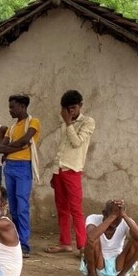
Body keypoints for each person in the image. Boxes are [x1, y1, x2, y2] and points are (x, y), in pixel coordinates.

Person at [46, 90, 96, 255]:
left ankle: (82, 246)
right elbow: (61, 149)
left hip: (73, 170)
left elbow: (76, 143)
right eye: (67, 109)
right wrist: (54, 171)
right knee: (62, 208)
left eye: (73, 108)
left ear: (80, 106)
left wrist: (68, 123)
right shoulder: (64, 123)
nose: (70, 112)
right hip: (59, 170)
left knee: (76, 209)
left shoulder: (87, 122)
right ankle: (65, 242)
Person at [0, 94, 40, 258]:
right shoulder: (12, 126)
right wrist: (18, 147)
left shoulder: (33, 122)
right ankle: (14, 241)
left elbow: (26, 140)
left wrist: (11, 148)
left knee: (22, 207)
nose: (10, 110)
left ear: (22, 107)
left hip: (23, 167)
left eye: (12, 107)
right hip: (10, 167)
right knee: (13, 207)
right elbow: (1, 148)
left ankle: (24, 244)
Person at [81, 199, 138, 276]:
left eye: (118, 219)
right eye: (112, 217)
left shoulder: (125, 220)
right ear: (104, 213)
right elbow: (91, 238)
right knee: (93, 239)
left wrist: (124, 216)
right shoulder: (93, 218)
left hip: (118, 265)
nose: (114, 223)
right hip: (97, 262)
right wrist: (112, 216)